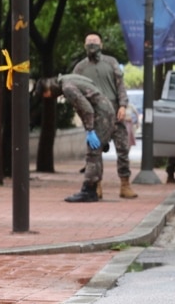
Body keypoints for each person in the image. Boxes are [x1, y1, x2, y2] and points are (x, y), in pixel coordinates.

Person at [72, 31, 137, 199]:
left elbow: (120, 85)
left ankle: (125, 184)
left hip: (115, 112)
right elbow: (75, 93)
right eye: (89, 41)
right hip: (95, 115)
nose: (92, 44)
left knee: (123, 148)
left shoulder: (111, 62)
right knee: (95, 152)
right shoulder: (79, 68)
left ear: (101, 45)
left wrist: (123, 105)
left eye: (95, 41)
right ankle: (96, 185)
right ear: (84, 46)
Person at [37, 75, 115, 203]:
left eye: (48, 95)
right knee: (96, 151)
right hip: (106, 112)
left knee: (92, 152)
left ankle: (88, 191)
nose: (51, 97)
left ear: (48, 88)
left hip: (102, 115)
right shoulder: (69, 78)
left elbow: (87, 109)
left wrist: (90, 130)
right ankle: (94, 188)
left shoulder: (67, 88)